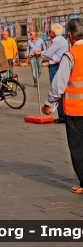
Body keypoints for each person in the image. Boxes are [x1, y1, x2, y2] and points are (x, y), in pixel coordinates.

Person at [41, 18, 83, 194]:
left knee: (78, 147)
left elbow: (59, 84)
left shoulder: (71, 55)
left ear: (70, 36)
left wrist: (49, 104)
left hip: (76, 109)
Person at [41, 23, 69, 124]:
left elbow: (48, 53)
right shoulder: (64, 40)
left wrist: (38, 53)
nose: (49, 33)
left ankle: (62, 116)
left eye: (50, 31)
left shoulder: (57, 40)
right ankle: (64, 114)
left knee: (56, 89)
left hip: (55, 66)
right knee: (62, 91)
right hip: (60, 65)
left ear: (54, 32)